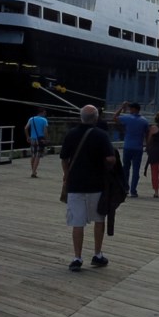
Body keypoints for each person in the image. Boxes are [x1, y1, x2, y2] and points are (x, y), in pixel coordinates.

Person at [61, 104, 117, 271]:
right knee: (99, 220)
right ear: (96, 118)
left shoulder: (71, 134)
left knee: (77, 222)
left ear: (81, 117)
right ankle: (97, 254)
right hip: (96, 184)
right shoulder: (101, 135)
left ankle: (77, 257)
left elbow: (64, 158)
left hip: (75, 184)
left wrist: (66, 175)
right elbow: (110, 158)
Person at [112, 101, 149, 198]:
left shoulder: (127, 118)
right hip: (138, 147)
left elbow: (114, 118)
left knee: (126, 168)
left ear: (134, 109)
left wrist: (121, 107)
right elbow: (147, 134)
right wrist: (148, 145)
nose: (129, 110)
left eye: (130, 108)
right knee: (136, 170)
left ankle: (125, 188)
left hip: (128, 146)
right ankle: (133, 190)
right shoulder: (144, 121)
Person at [25, 106, 49, 178]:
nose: (45, 114)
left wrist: (27, 137)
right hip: (40, 139)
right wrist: (46, 139)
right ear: (42, 112)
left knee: (33, 155)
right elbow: (45, 131)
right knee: (37, 156)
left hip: (32, 139)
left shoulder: (31, 119)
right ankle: (33, 172)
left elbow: (26, 128)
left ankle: (33, 171)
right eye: (45, 112)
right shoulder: (44, 120)